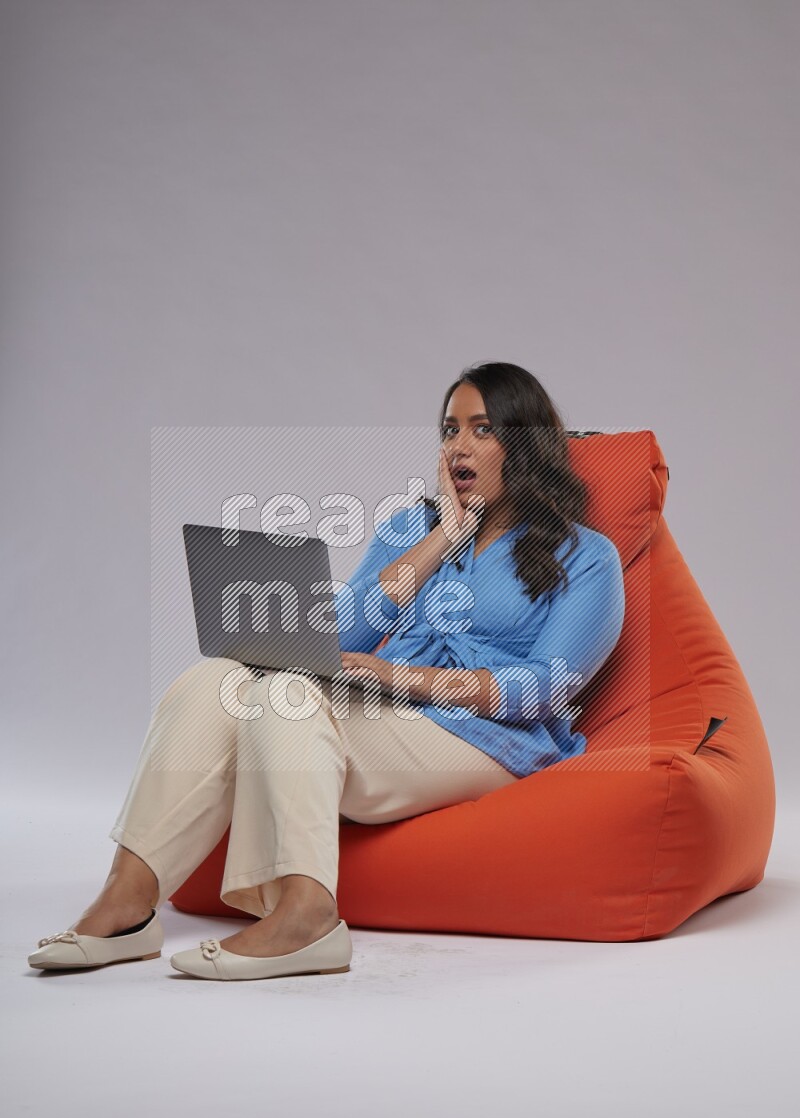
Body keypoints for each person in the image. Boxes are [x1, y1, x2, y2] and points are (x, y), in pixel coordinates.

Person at [28, 361, 625, 981]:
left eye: (483, 430)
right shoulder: (412, 528)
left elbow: (542, 689)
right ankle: (127, 902)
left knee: (289, 693)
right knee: (218, 680)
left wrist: (394, 678)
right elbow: (338, 636)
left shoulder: (586, 556)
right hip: (394, 720)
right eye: (449, 430)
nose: (458, 447)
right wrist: (439, 541)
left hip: (489, 740)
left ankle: (306, 917)